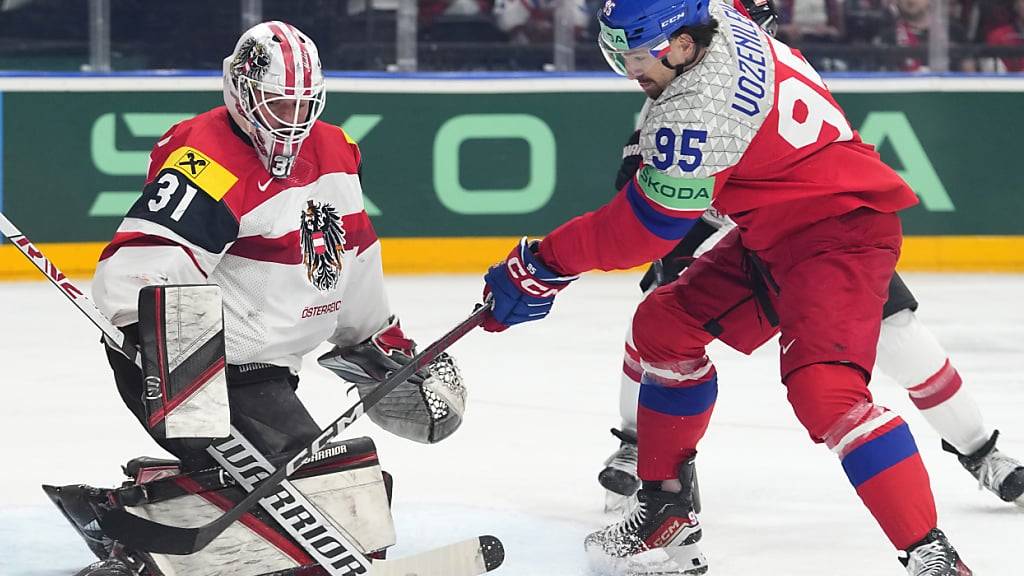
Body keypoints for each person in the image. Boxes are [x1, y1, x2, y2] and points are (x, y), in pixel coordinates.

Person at [480, 0, 973, 573]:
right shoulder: (716, 14)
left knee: (827, 395)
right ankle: (665, 513)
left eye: (639, 55)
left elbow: (643, 233)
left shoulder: (697, 112)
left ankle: (932, 555)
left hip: (840, 235)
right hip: (780, 228)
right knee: (662, 327)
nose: (630, 68)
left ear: (684, 46)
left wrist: (541, 262)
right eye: (618, 53)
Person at [54, 21, 468, 576]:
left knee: (337, 486)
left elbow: (353, 252)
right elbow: (135, 276)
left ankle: (143, 500)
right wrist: (170, 364)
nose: (292, 123)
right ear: (242, 91)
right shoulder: (207, 157)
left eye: (303, 107)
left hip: (264, 372)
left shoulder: (337, 149)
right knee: (316, 500)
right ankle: (137, 544)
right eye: (277, 104)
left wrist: (376, 340)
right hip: (182, 365)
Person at [598, 132, 1024, 516]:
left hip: (818, 244)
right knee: (655, 329)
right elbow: (638, 208)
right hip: (728, 253)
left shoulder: (788, 103)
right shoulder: (669, 122)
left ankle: (982, 452)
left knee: (901, 337)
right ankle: (638, 445)